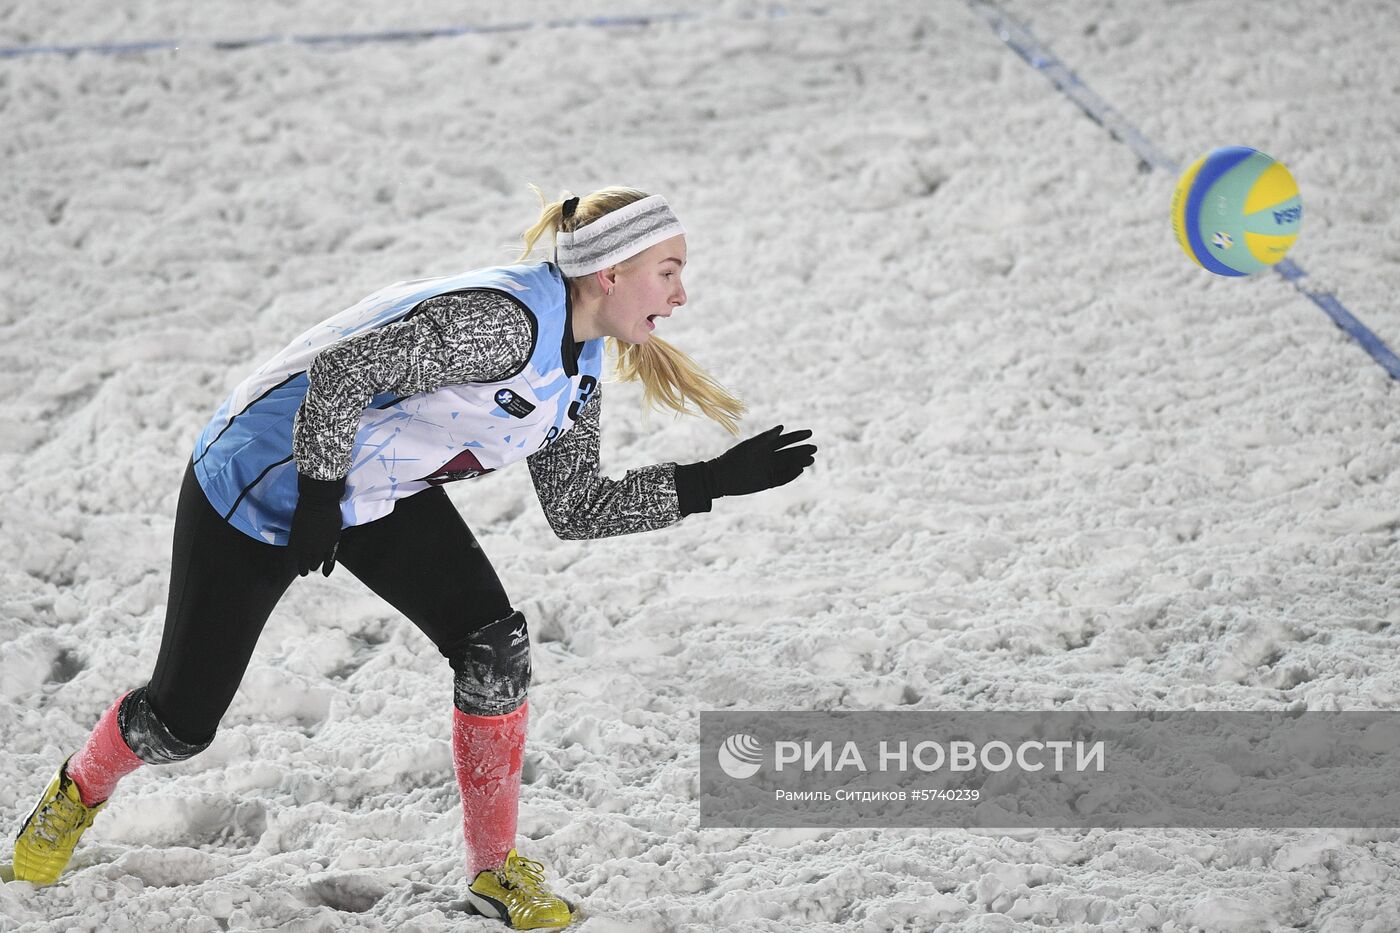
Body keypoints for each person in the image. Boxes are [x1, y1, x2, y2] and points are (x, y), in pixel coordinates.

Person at [11, 186, 817, 928]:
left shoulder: (580, 363)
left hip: (365, 480)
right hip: (262, 473)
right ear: (609, 274)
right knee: (179, 724)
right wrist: (320, 496)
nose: (682, 294)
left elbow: (577, 508)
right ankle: (75, 791)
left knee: (494, 645)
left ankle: (494, 870)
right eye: (669, 272)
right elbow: (341, 372)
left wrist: (712, 481)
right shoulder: (503, 322)